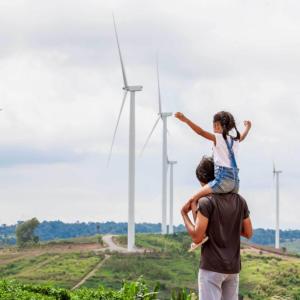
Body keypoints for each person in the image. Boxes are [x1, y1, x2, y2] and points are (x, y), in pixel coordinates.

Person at [175, 111, 251, 250]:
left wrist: (185, 120)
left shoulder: (218, 138)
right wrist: (248, 127)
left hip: (222, 180)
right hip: (235, 183)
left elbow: (200, 132)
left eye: (217, 125)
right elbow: (243, 136)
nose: (214, 128)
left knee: (194, 199)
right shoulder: (234, 140)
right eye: (214, 125)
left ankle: (200, 234)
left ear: (223, 127)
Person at [181, 156, 253, 300]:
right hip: (232, 269)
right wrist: (228, 223)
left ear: (202, 179)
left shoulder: (205, 202)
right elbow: (248, 232)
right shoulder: (240, 200)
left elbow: (197, 237)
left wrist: (184, 214)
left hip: (212, 268)